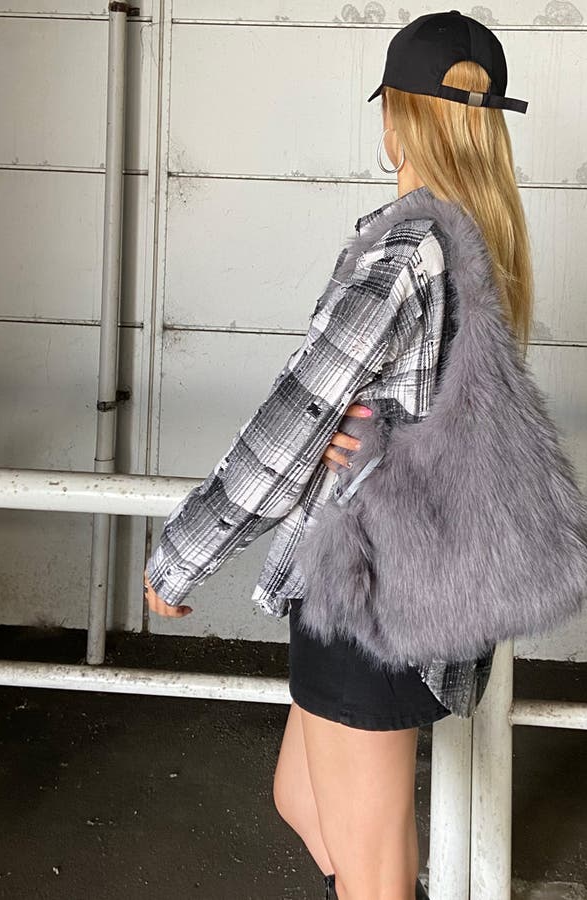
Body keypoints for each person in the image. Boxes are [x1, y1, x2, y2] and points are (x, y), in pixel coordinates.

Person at [143, 10, 532, 899]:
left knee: (374, 880)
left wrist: (182, 553)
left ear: (396, 120)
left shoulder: (405, 257)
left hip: (369, 589)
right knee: (301, 797)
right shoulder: (484, 245)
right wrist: (389, 443)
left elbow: (296, 420)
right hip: (403, 587)